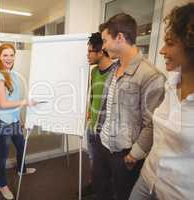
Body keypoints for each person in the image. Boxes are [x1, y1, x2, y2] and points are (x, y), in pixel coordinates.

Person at [92, 13, 166, 200]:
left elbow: (151, 123)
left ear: (120, 38)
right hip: (103, 145)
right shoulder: (114, 68)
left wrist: (134, 155)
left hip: (125, 156)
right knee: (101, 192)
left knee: (123, 195)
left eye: (105, 40)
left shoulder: (151, 76)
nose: (104, 45)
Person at [129, 3, 194, 200]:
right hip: (148, 178)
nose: (162, 50)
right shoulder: (170, 85)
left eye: (170, 43)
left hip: (178, 193)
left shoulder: (151, 76)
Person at [0, 43, 37, 199]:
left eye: (11, 55)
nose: (9, 58)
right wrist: (25, 102)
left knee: (21, 147)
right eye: (5, 55)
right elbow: (3, 104)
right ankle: (2, 185)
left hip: (14, 120)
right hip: (2, 122)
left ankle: (21, 169)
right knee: (3, 156)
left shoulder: (14, 75)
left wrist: (21, 118)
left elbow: (15, 100)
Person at [82, 32, 117, 199]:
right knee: (92, 159)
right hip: (92, 125)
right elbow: (93, 94)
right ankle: (93, 184)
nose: (87, 55)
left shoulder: (116, 72)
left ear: (101, 51)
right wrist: (89, 110)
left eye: (90, 51)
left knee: (104, 167)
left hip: (106, 130)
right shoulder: (94, 71)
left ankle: (103, 189)